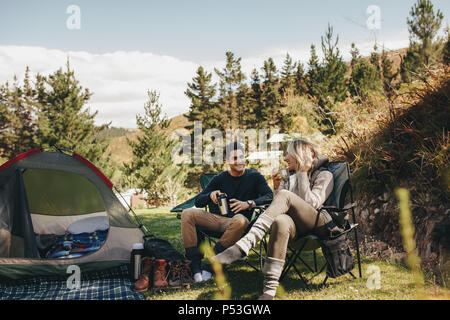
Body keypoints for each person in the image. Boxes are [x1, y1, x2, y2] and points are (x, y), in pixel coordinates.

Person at [213, 139, 334, 299]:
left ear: (300, 155)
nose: (285, 159)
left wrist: (303, 173)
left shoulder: (325, 175)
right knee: (280, 221)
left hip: (318, 223)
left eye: (288, 155)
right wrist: (277, 187)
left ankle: (245, 244)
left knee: (285, 196)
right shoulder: (289, 175)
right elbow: (279, 205)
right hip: (295, 226)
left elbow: (313, 204)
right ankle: (269, 291)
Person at [181, 142, 273, 282]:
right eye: (235, 158)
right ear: (227, 161)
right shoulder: (220, 178)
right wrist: (210, 195)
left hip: (240, 224)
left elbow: (269, 196)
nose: (240, 161)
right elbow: (198, 201)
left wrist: (249, 204)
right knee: (187, 213)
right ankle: (195, 265)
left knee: (240, 219)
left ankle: (211, 262)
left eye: (242, 157)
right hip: (218, 220)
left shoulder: (254, 176)